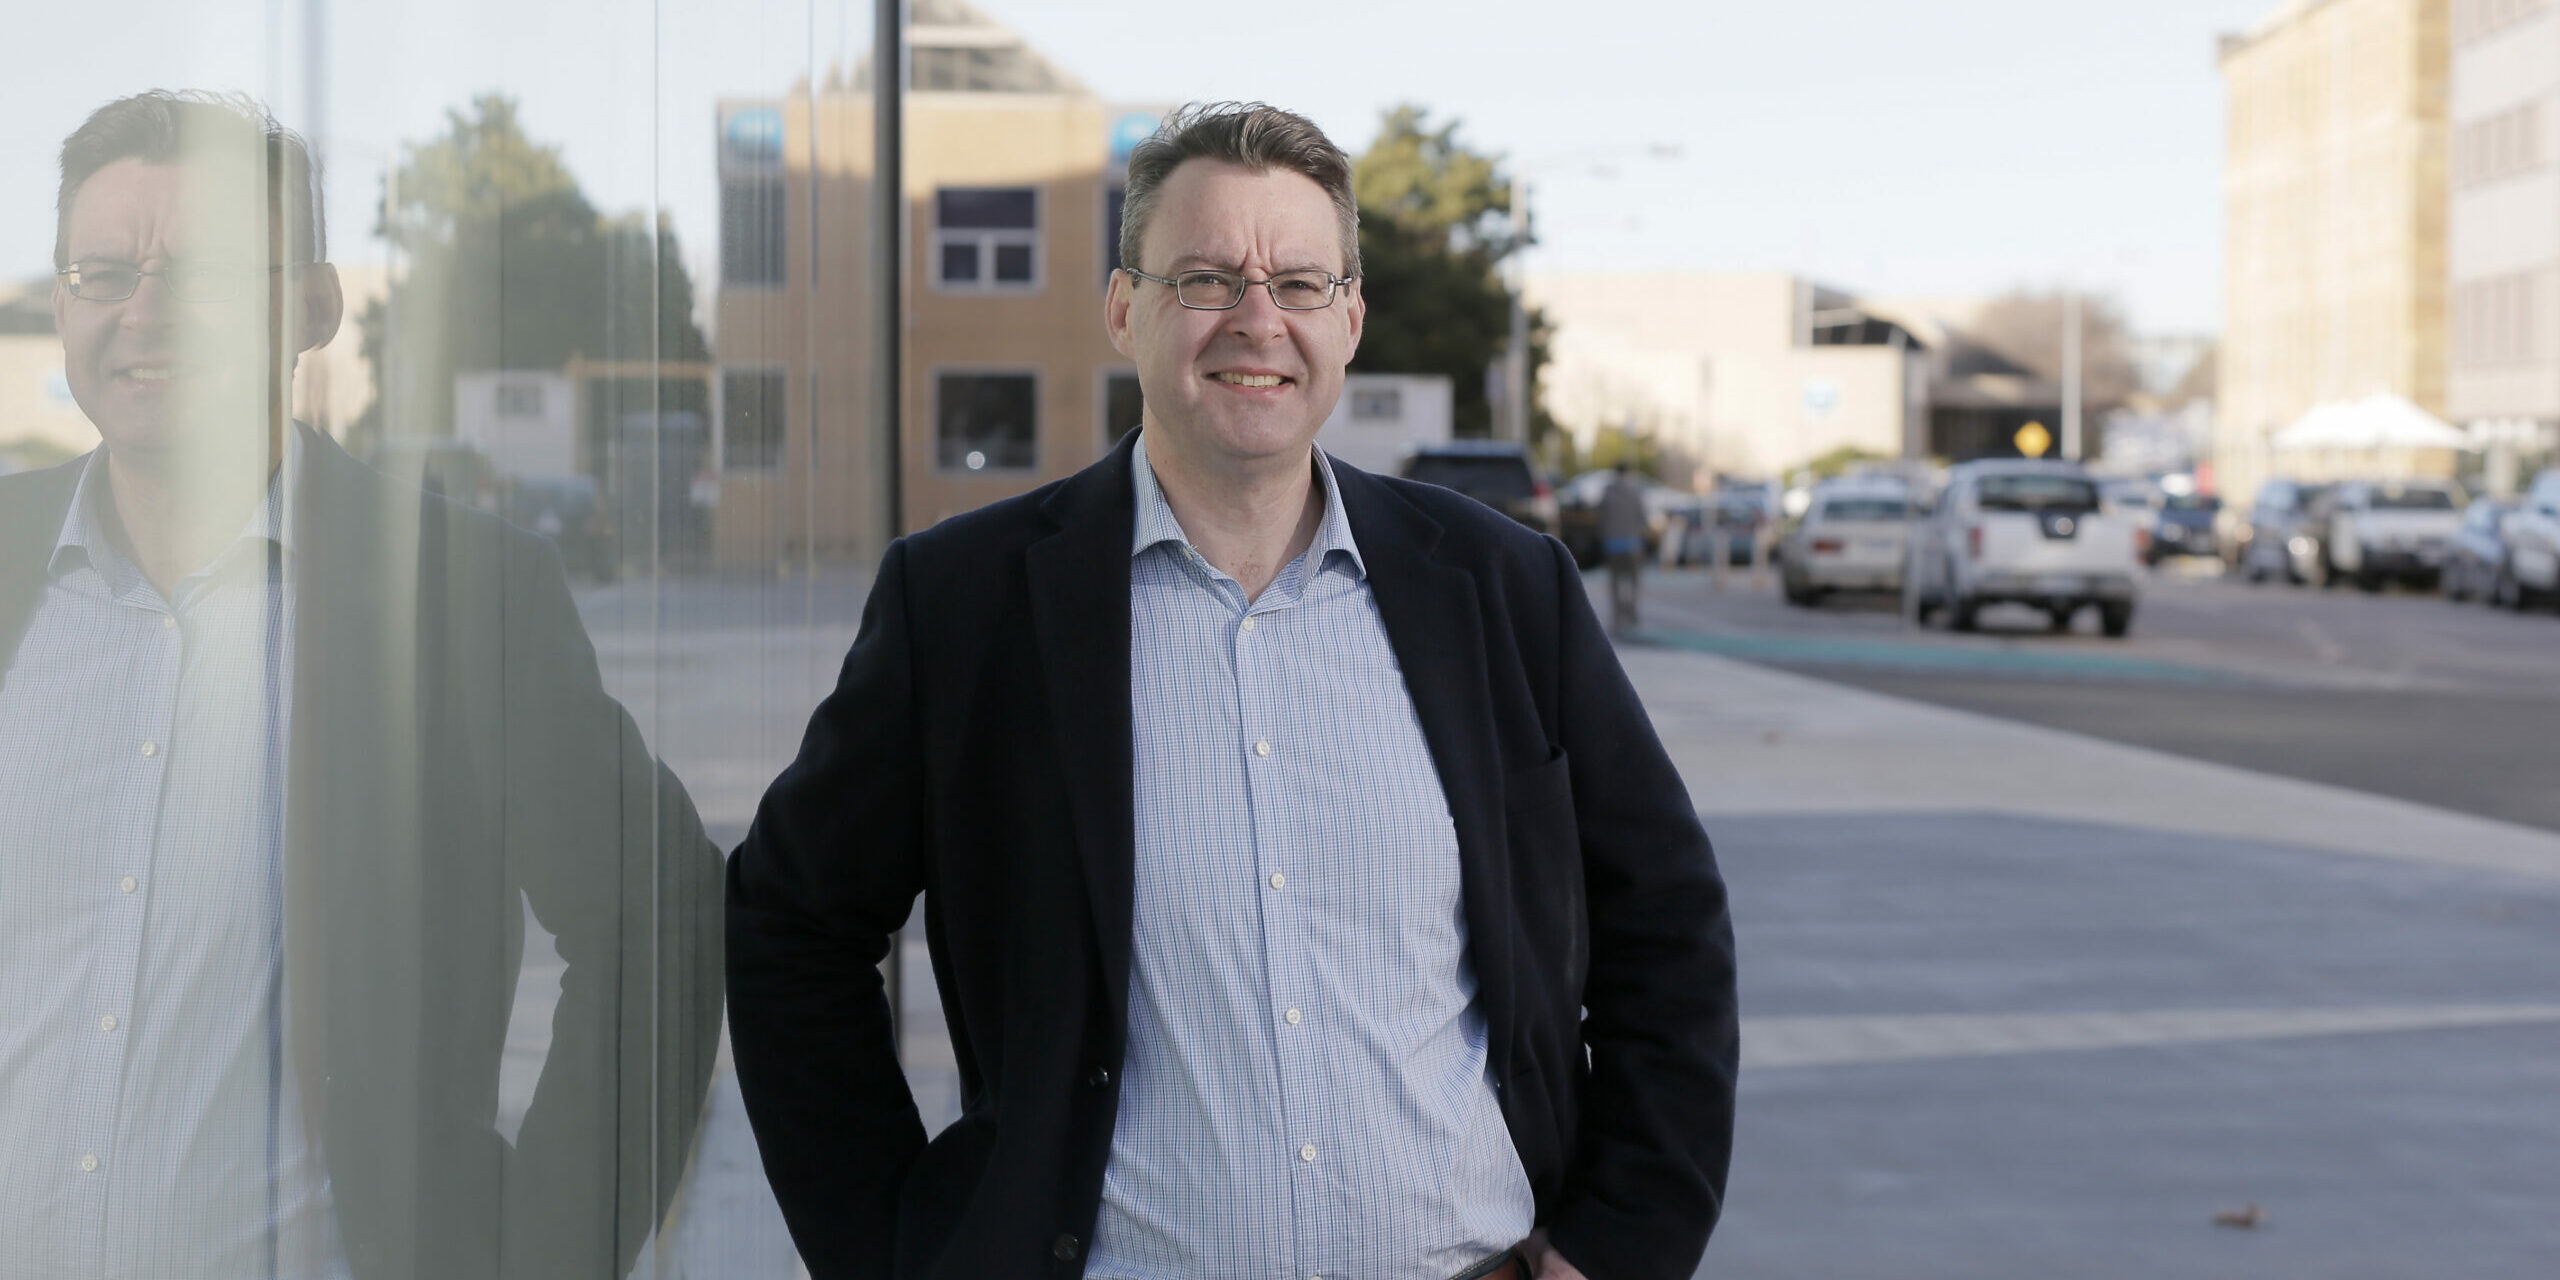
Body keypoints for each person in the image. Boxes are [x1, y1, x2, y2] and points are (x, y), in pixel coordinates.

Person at [727, 101, 1737, 1280]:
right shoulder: (962, 606)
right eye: (1207, 276)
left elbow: (1666, 928)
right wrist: (892, 1249)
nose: (1258, 319)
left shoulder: (1506, 591)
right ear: (1123, 309)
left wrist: (1618, 1246)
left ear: (1349, 318)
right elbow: (793, 921)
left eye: (1301, 283)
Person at [0, 91, 723, 1279]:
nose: (146, 313)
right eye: (102, 270)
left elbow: (660, 915)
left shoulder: (454, 597)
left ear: (315, 307)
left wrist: (547, 1251)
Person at [1598, 461, 1650, 631]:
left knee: (1615, 582)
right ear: (1629, 472)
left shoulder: (1607, 492)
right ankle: (1632, 611)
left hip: (1612, 544)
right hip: (1632, 544)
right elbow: (1642, 519)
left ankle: (1617, 615)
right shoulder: (1636, 491)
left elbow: (1601, 518)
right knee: (1634, 581)